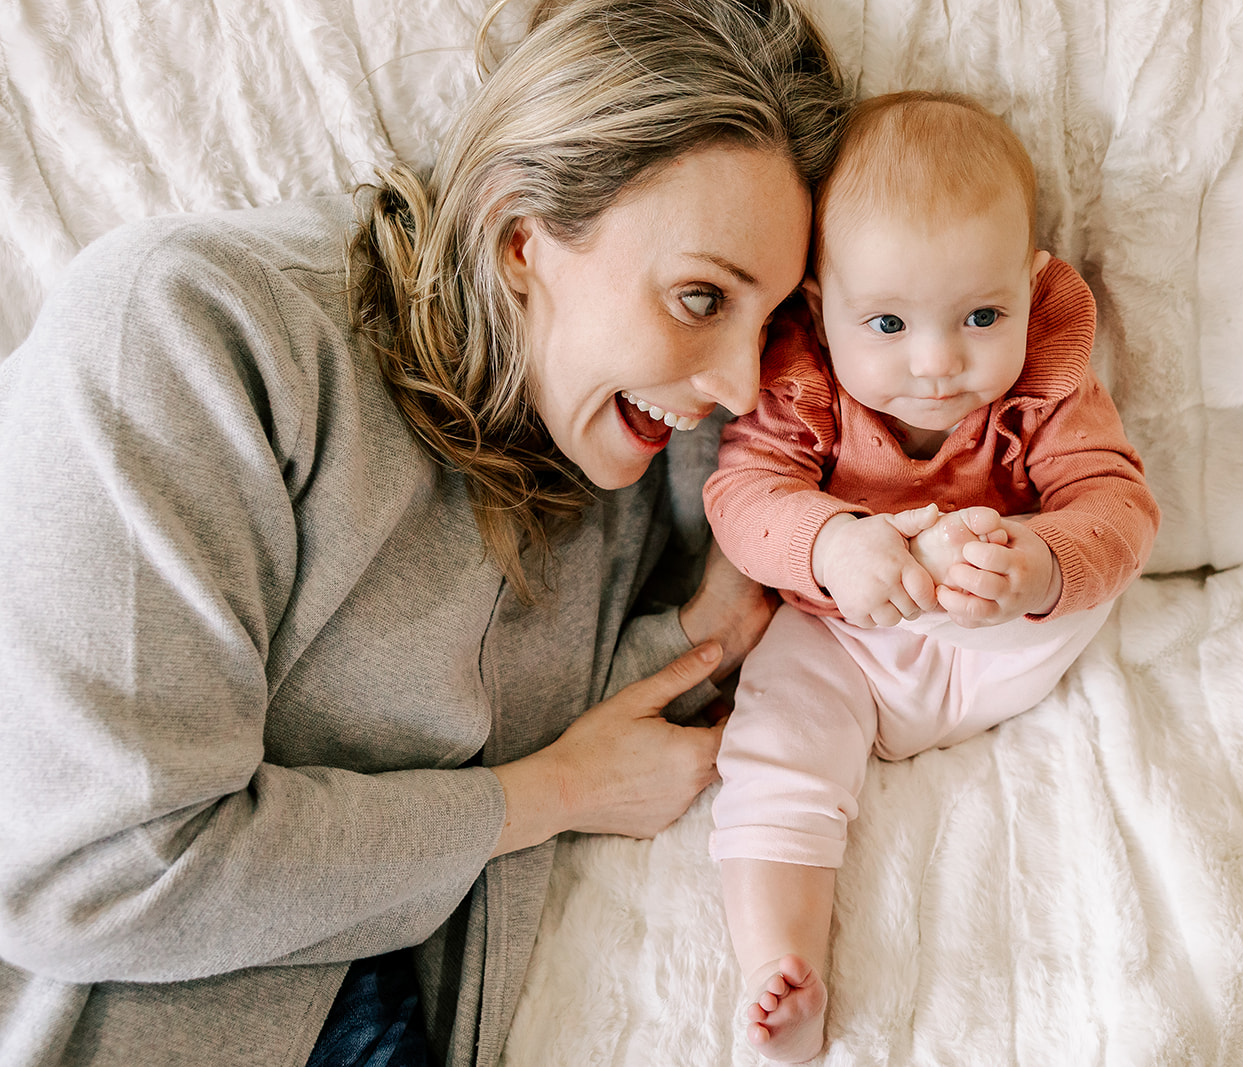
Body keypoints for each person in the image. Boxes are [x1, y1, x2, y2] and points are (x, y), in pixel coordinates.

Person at [0, 2, 848, 1065]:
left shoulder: (599, 464)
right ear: (518, 233)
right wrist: (550, 795)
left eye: (765, 321)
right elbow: (95, 872)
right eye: (698, 296)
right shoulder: (185, 335)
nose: (734, 380)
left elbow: (547, 731)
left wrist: (702, 632)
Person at [703, 90, 1163, 1061]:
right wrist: (831, 542)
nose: (938, 361)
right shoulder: (802, 382)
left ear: (1030, 290)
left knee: (1062, 568)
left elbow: (1118, 507)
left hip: (997, 633)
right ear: (824, 311)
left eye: (980, 313)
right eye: (888, 323)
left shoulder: (1043, 380)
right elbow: (740, 497)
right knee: (773, 743)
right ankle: (779, 965)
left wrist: (1036, 564)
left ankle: (980, 558)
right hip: (843, 639)